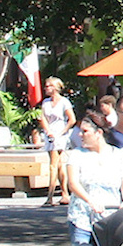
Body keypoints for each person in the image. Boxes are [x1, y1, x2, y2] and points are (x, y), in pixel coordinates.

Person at [38, 77, 74, 207]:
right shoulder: (46, 102)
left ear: (55, 88)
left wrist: (62, 132)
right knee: (59, 165)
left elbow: (72, 119)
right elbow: (43, 118)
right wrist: (48, 131)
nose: (46, 88)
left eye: (48, 86)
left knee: (53, 165)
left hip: (60, 133)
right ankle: (65, 193)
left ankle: (50, 195)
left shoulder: (64, 102)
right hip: (50, 133)